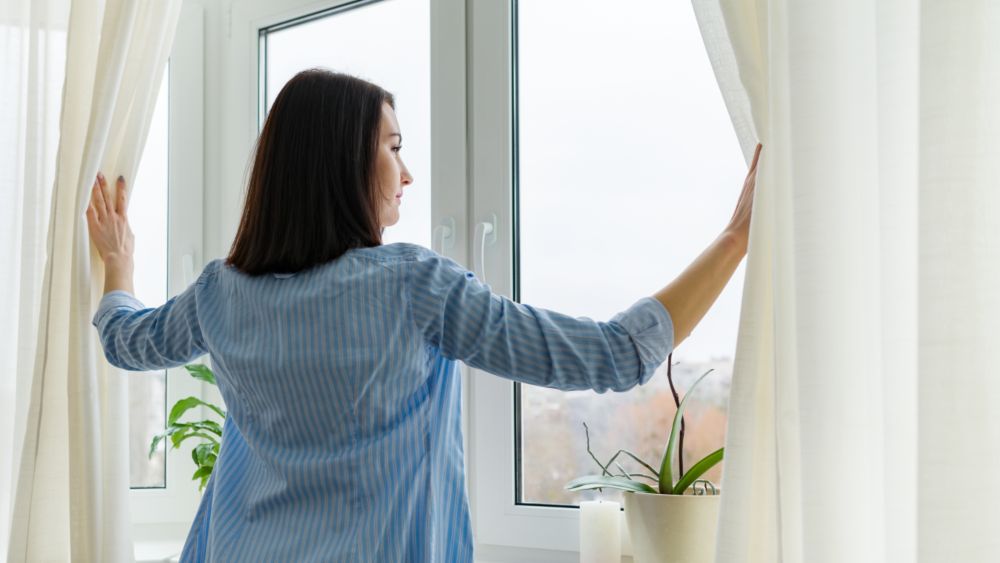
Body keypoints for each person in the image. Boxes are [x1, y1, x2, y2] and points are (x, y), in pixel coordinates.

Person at [87, 69, 761, 562]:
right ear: (342, 162)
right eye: (394, 147)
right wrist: (734, 239)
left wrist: (118, 264)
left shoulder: (220, 294)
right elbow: (612, 354)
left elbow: (123, 340)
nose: (406, 174)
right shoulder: (411, 285)